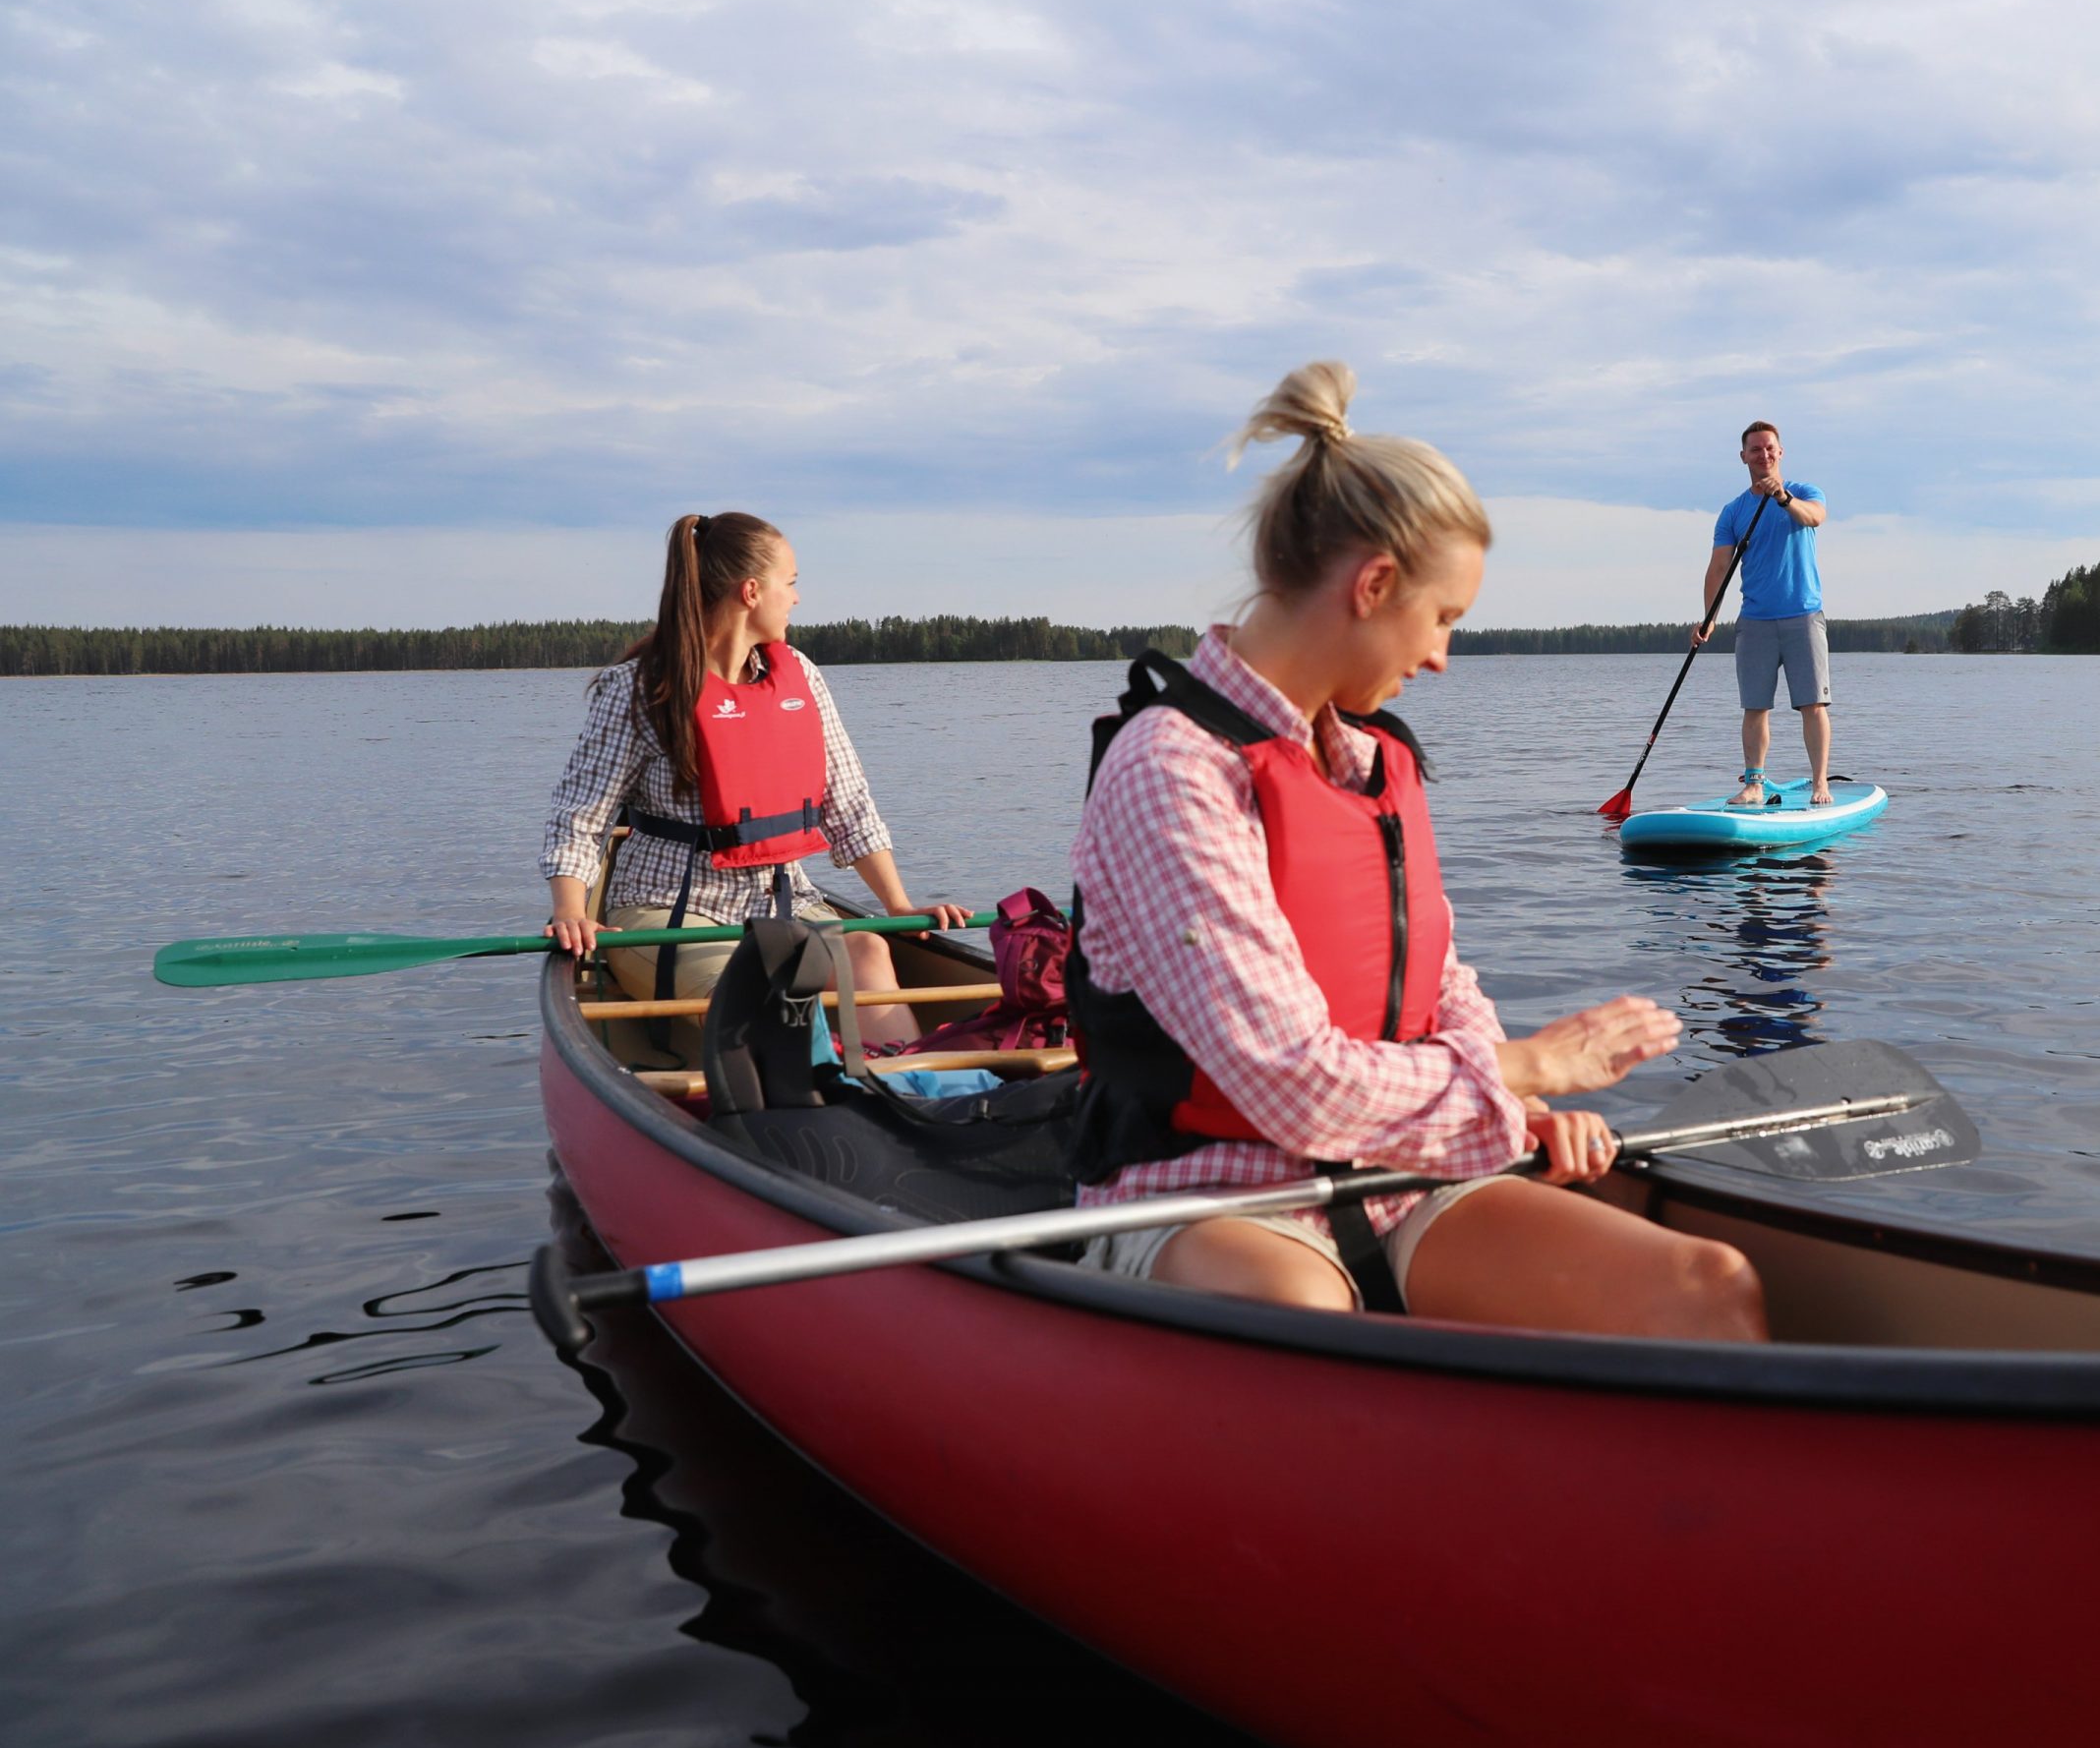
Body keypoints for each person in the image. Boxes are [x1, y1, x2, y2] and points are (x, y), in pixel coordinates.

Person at [1067, 362, 1769, 1339]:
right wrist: (1522, 1072)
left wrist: (1498, 1107)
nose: (1442, 655)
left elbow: (1438, 977)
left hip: (1399, 1163)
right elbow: (1289, 1081)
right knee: (1309, 1315)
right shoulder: (1172, 766)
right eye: (1444, 618)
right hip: (1209, 1190)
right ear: (1375, 583)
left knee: (1705, 1284)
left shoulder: (1369, 756)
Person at [540, 511, 967, 1048]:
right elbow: (580, 815)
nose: (796, 598)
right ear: (750, 591)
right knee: (745, 992)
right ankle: (801, 1102)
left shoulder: (801, 675)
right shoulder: (639, 690)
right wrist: (571, 912)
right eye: (789, 584)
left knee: (868, 953)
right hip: (670, 909)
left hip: (786, 899)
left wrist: (899, 906)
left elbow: (848, 803)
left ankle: (906, 1094)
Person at [1692, 421, 1834, 805]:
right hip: (1755, 620)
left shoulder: (1804, 492)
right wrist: (1709, 617)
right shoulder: (1734, 511)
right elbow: (1719, 567)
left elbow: (1814, 517)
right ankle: (1754, 783)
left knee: (1812, 704)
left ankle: (1820, 783)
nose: (1764, 455)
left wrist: (1783, 498)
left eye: (1770, 448)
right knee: (1755, 706)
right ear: (1744, 457)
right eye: (1755, 450)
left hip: (1803, 615)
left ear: (1780, 452)